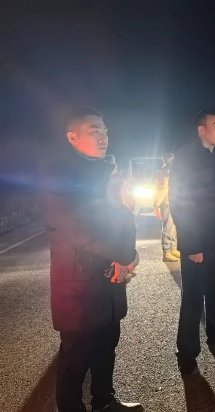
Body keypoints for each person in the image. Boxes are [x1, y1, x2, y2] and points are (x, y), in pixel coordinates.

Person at [39, 107, 143, 412]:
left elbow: (123, 218)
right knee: (75, 356)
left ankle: (104, 401)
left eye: (105, 131)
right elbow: (77, 229)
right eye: (94, 130)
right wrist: (123, 257)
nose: (103, 137)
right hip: (78, 284)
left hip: (108, 278)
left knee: (107, 344)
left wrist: (128, 257)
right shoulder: (59, 175)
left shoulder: (108, 172)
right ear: (72, 137)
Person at [169, 111, 215, 375]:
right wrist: (192, 245)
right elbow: (179, 204)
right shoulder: (185, 161)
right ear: (201, 130)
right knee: (192, 298)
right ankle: (186, 352)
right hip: (197, 244)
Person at [153, 152, 180, 262]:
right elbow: (162, 189)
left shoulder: (170, 170)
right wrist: (156, 204)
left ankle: (173, 248)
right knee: (168, 226)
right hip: (167, 202)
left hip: (173, 201)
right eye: (172, 158)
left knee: (173, 226)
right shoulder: (165, 172)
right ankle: (167, 252)